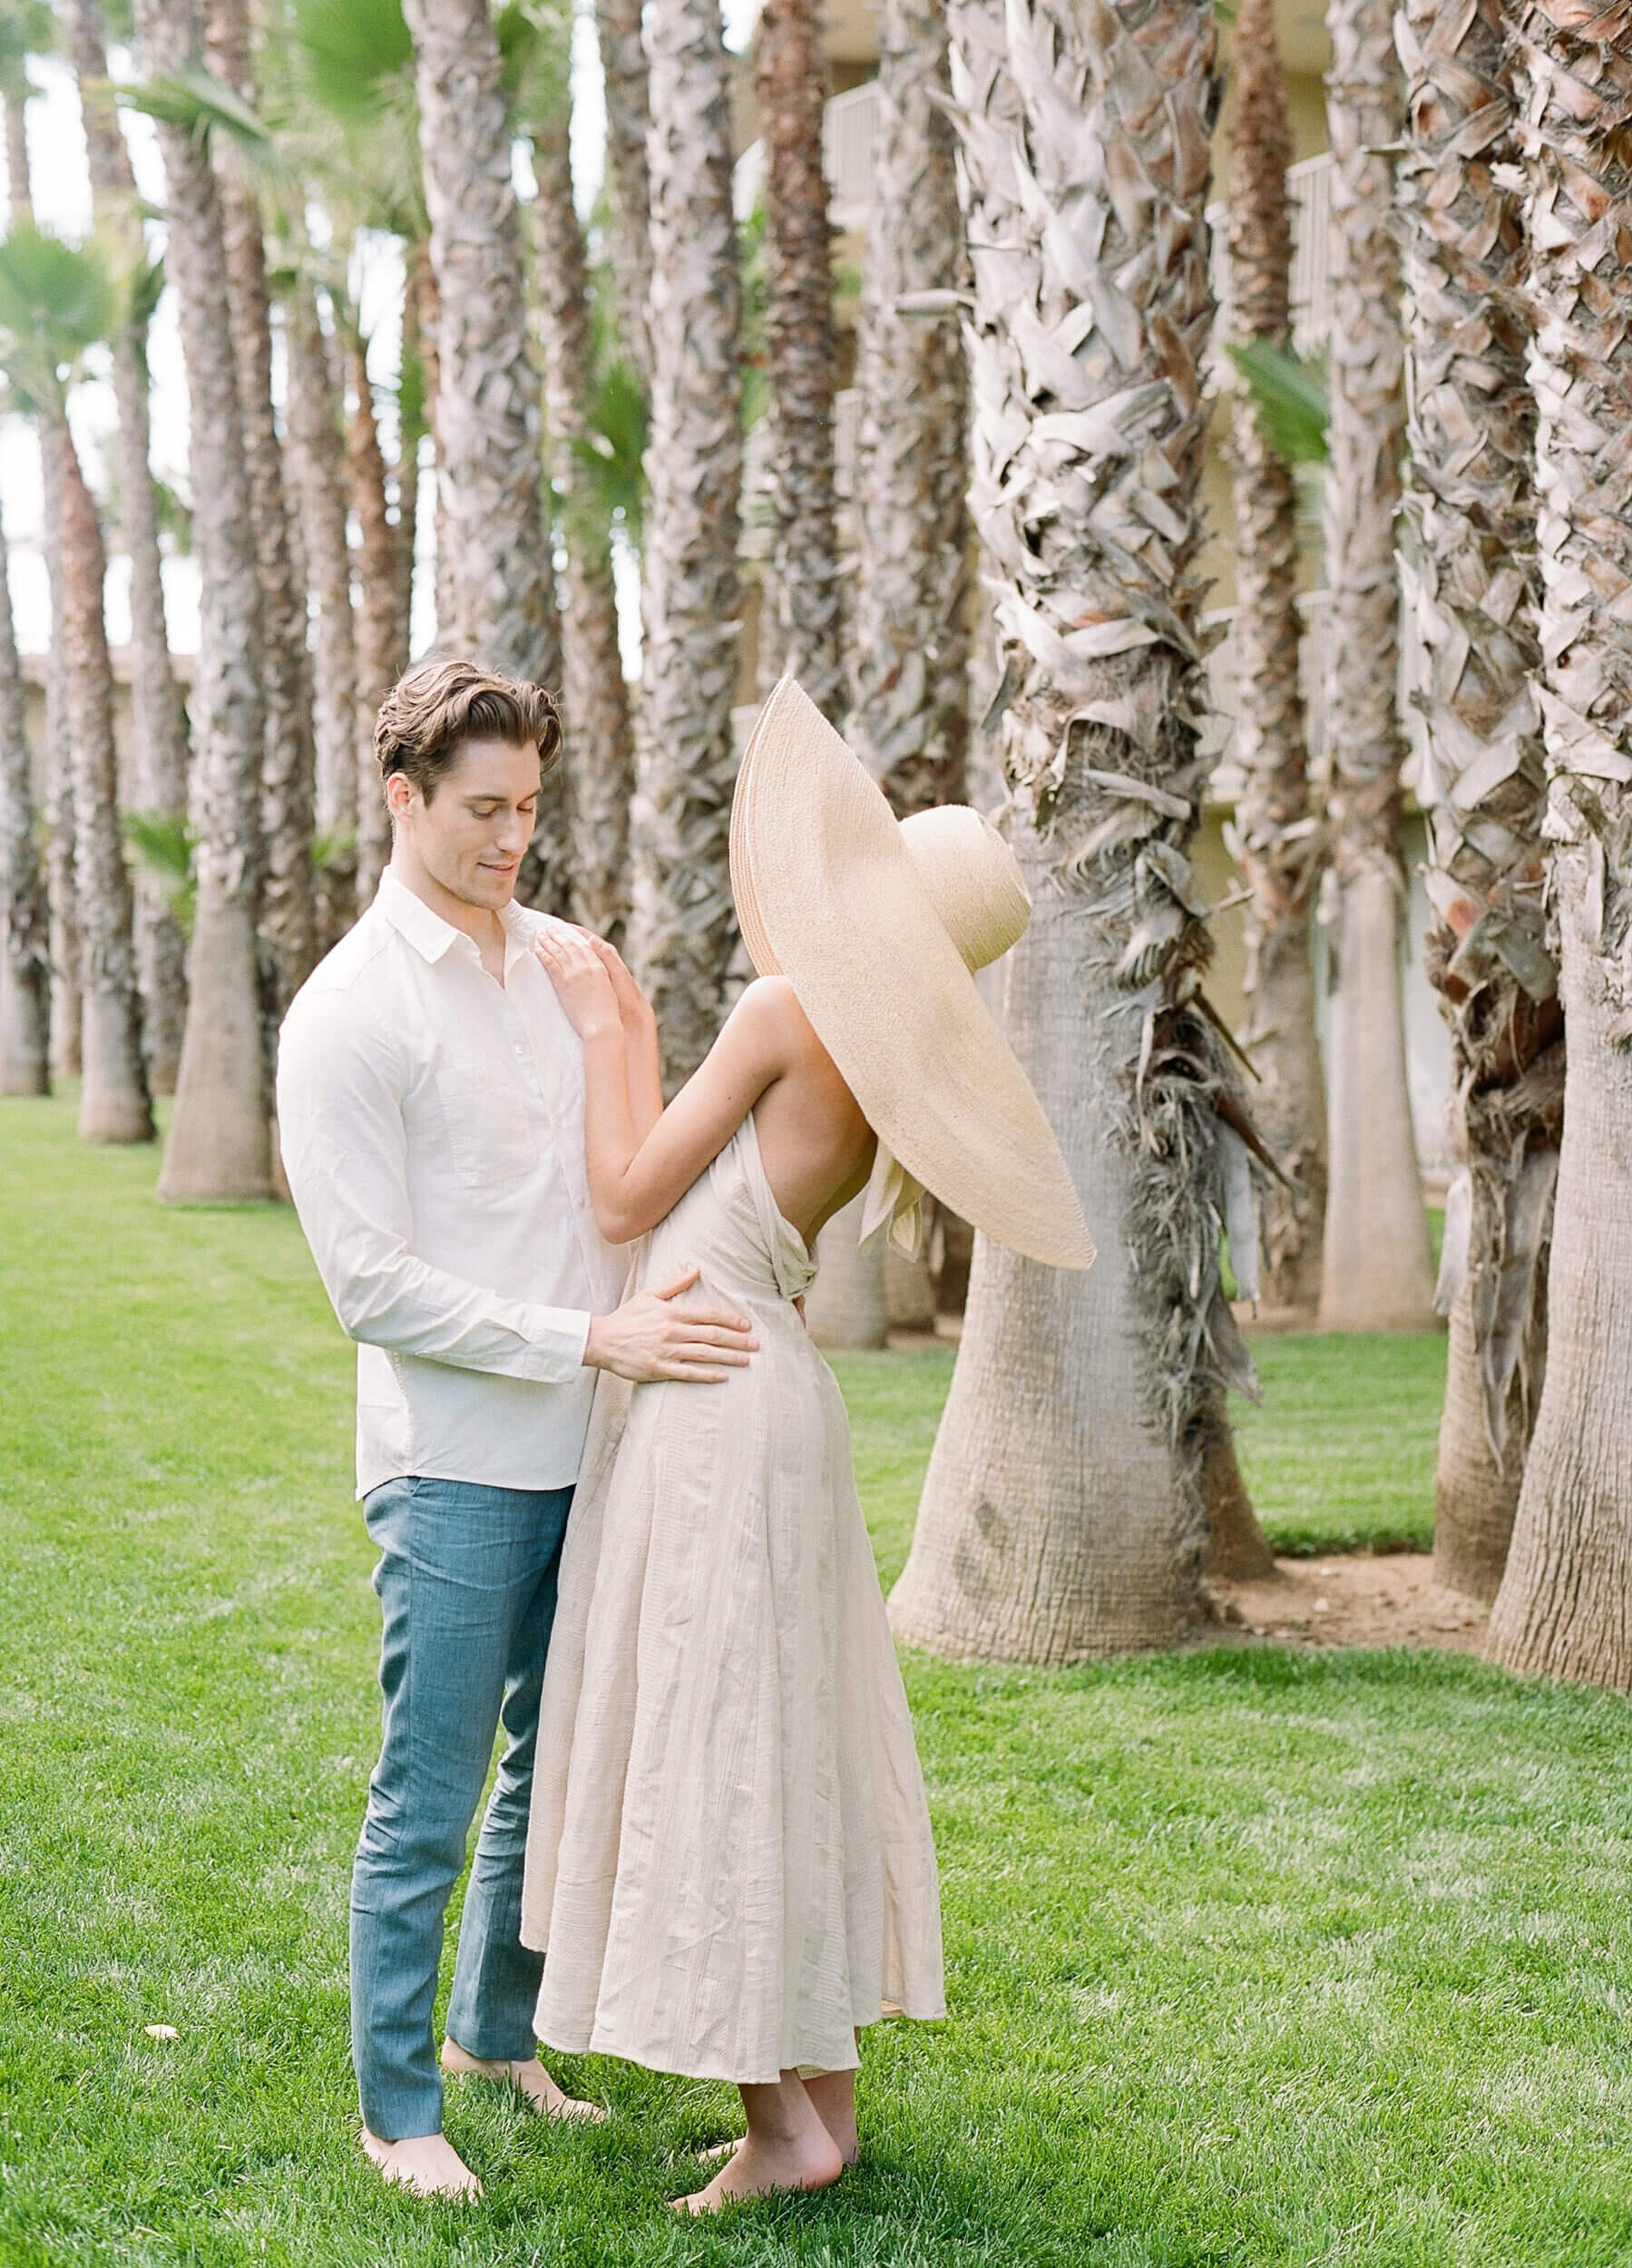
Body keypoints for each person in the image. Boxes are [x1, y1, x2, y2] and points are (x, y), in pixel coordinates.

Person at [519, 677, 1095, 2214]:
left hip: (715, 1407)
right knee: (780, 1728)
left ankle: (786, 2127)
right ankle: (813, 2114)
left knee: (723, 1736)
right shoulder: (870, 1067)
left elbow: (631, 1196)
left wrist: (603, 1033)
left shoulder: (784, 1015)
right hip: (765, 1398)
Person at [275, 657, 759, 2204]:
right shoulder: (348, 1013)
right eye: (483, 811)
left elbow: (631, 1162)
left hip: (604, 1440)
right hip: (457, 1464)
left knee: (556, 1772)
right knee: (430, 1793)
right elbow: (369, 1286)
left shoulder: (566, 963)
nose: (511, 841)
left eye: (531, 810)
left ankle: (497, 2036)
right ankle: (398, 2108)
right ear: (403, 797)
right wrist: (587, 1335)